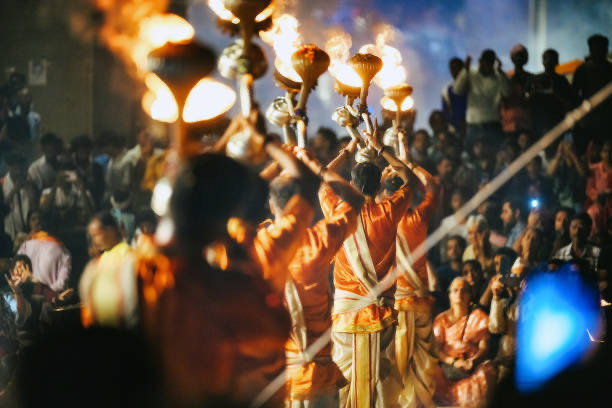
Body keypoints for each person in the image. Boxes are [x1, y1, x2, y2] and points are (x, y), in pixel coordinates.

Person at [273, 143, 365, 407]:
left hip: (281, 373)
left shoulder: (261, 243)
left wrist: (274, 155)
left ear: (271, 204)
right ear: (306, 206)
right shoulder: (319, 240)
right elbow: (355, 200)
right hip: (320, 370)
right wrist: (315, 166)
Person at [329, 123, 412, 408]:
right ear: (380, 187)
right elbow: (409, 177)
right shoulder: (388, 211)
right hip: (381, 315)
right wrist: (380, 147)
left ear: (350, 186)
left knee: (346, 383)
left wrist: (349, 148)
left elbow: (323, 175)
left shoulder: (337, 211)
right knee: (379, 379)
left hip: (345, 315)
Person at [388, 130, 440, 408]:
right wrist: (408, 162)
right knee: (420, 364)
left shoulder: (381, 219)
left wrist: (391, 163)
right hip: (419, 302)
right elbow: (433, 186)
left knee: (398, 365)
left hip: (399, 304)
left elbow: (362, 192)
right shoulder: (418, 217)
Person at [433, 277, 496, 407]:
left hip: (473, 367)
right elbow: (437, 350)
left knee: (487, 372)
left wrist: (473, 361)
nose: (459, 294)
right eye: (455, 290)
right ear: (449, 295)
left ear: (470, 295)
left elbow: (484, 348)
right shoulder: (441, 320)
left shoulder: (478, 317)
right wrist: (454, 362)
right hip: (448, 367)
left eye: (464, 290)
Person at [453, 49, 511, 151]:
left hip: (492, 124)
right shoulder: (471, 73)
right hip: (474, 124)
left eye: (489, 64)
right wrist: (465, 70)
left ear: (493, 64)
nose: (485, 66)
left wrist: (501, 73)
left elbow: (507, 93)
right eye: (483, 63)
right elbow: (457, 90)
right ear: (480, 61)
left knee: (495, 153)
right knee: (471, 154)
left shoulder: (499, 76)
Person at [572, 34, 612, 152]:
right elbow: (574, 96)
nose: (600, 51)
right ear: (590, 50)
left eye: (603, 48)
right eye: (597, 48)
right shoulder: (582, 70)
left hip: (607, 119)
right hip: (588, 119)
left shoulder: (610, 69)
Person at [16, 215, 70, 293]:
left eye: (39, 220)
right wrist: (45, 293)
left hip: (26, 297)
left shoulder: (25, 246)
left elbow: (16, 274)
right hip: (50, 297)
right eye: (33, 219)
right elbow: (62, 284)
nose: (37, 222)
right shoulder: (63, 252)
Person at [527, 49, 573, 138]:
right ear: (543, 61)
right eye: (547, 59)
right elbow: (526, 101)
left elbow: (570, 102)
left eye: (552, 60)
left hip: (556, 124)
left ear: (557, 62)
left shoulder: (561, 81)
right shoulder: (534, 80)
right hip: (538, 124)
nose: (549, 63)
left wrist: (557, 94)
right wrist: (533, 93)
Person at [2, 152, 38, 240]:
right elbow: (2, 208)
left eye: (20, 168)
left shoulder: (30, 182)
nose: (18, 172)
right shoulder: (2, 184)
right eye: (15, 168)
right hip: (10, 231)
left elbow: (35, 208)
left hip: (28, 230)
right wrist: (14, 190)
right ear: (9, 167)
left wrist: (30, 191)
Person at [554, 212, 601, 277]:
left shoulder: (597, 254)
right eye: (574, 227)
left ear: (588, 231)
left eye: (581, 228)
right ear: (569, 229)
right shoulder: (561, 254)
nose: (577, 231)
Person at [500, 44, 533, 136]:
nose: (519, 59)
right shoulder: (506, 77)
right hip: (508, 124)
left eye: (521, 56)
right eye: (517, 56)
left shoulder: (531, 78)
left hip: (525, 124)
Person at [547, 141, 585, 210]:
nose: (566, 150)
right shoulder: (559, 165)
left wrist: (573, 155)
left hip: (576, 199)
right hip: (561, 201)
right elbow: (549, 174)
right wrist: (559, 155)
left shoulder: (579, 161)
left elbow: (583, 173)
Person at [70, 135, 105, 208]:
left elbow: (100, 190)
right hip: (74, 204)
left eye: (85, 151)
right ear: (75, 152)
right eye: (80, 151)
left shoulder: (96, 167)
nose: (83, 154)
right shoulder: (70, 167)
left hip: (93, 204)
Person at [441, 57, 467, 133]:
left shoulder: (470, 86)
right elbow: (446, 112)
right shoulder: (446, 91)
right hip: (456, 128)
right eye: (452, 69)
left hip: (472, 124)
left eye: (457, 68)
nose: (455, 72)